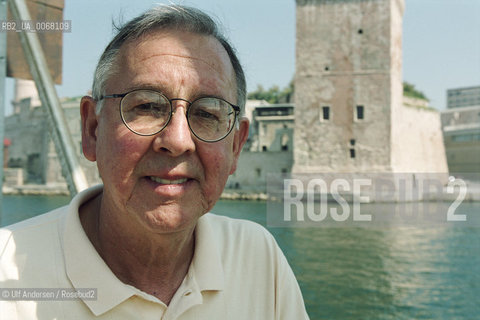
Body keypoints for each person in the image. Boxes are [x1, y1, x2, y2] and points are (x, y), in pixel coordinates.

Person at [0, 5, 309, 319]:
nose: (177, 141)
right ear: (92, 129)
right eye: (147, 106)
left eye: (206, 114)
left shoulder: (259, 258)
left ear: (236, 145)